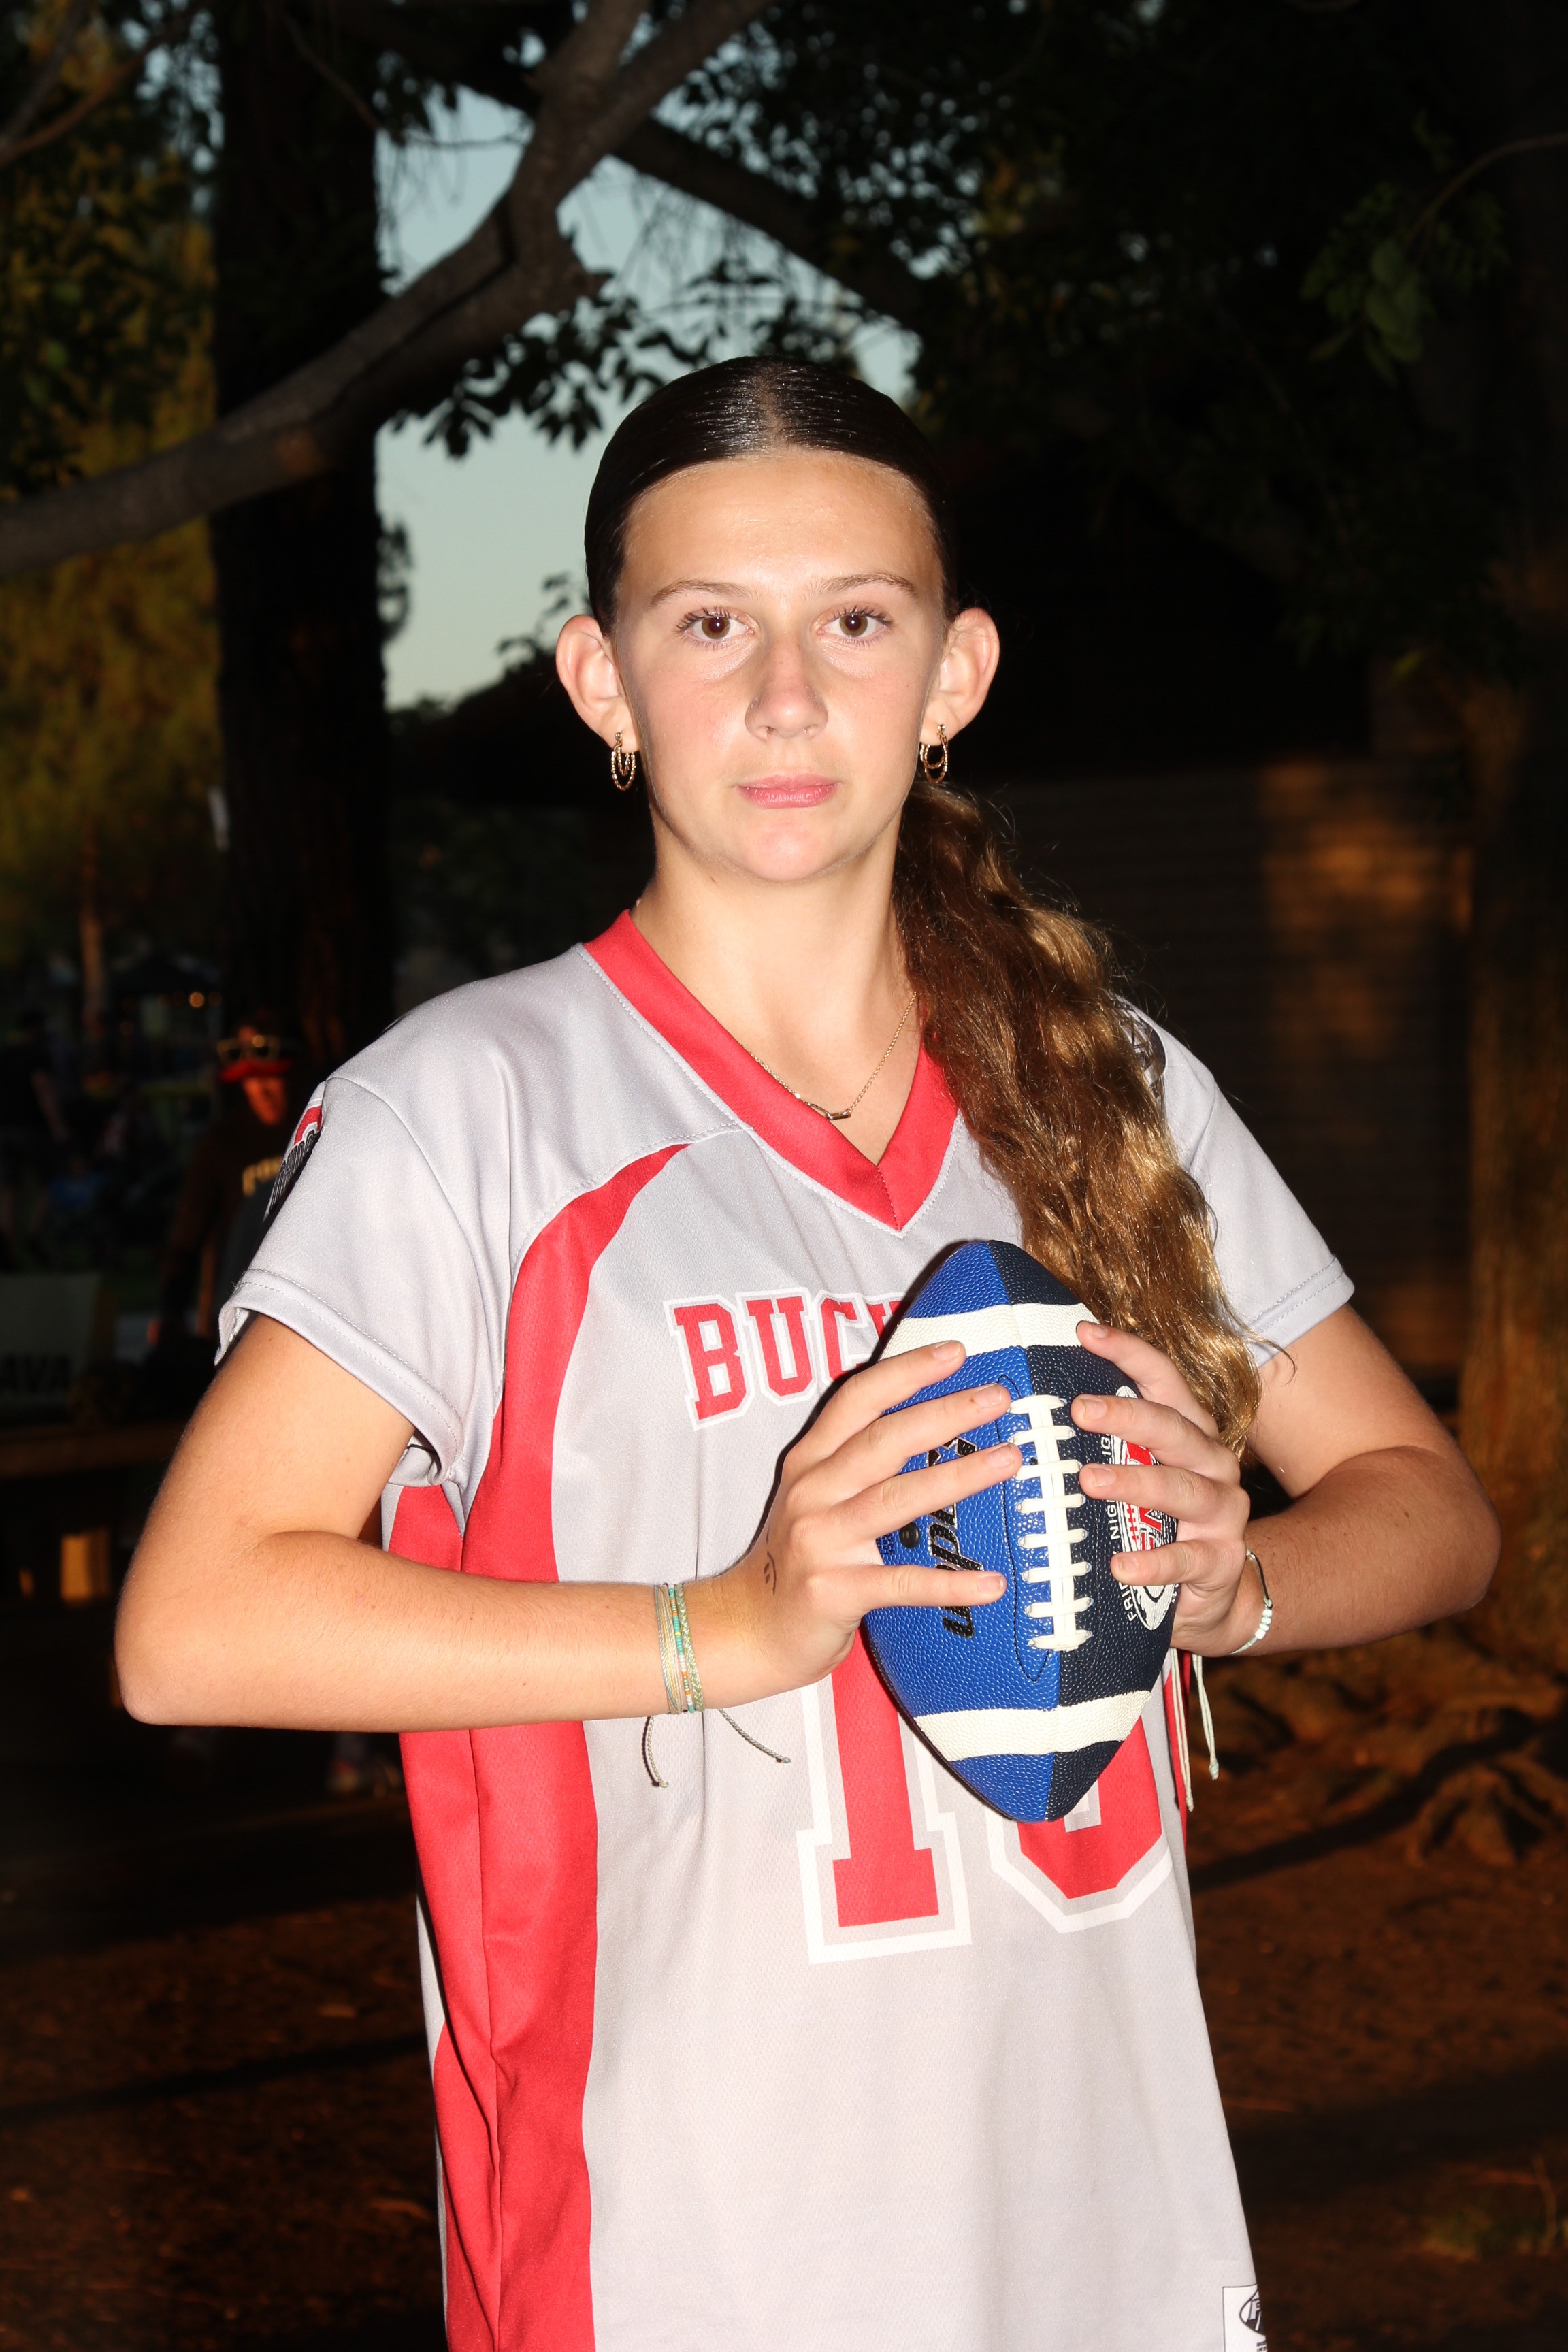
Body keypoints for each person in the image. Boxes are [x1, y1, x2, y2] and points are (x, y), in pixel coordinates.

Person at [117, 359, 1498, 2351]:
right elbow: (193, 1626)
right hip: (688, 2254)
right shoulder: (473, 1109)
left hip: (1106, 2228)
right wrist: (726, 1625)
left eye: (855, 621)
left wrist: (1241, 1582)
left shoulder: (1105, 1088)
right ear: (601, 680)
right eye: (710, 626)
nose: (786, 697)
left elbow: (1430, 1508)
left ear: (955, 674)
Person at [152, 1014, 300, 1345]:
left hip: (305, 1308)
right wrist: (171, 1311)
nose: (261, 1090)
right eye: (249, 1079)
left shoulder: (323, 1130)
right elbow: (188, 1235)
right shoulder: (222, 1143)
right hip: (237, 1315)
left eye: (270, 1077)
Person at [0, 1007, 70, 1265]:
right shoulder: (37, 1054)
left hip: (5, 1128)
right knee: (49, 1183)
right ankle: (34, 1233)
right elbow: (43, 1089)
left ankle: (7, 1249)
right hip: (31, 1128)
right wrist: (58, 1126)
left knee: (10, 1190)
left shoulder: (5, 1053)